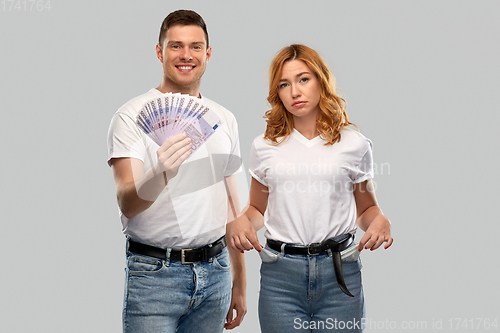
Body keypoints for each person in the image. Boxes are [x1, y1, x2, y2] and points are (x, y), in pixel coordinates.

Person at [226, 44, 393, 332]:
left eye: (303, 79)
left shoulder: (354, 144)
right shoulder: (264, 146)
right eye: (284, 84)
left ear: (321, 80)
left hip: (340, 276)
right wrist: (242, 220)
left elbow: (366, 209)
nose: (295, 91)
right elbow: (257, 209)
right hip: (281, 278)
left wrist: (381, 220)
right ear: (276, 92)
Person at [107, 9, 246, 332]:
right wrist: (161, 171)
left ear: (208, 54)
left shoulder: (223, 119)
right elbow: (127, 201)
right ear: (160, 52)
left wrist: (239, 280)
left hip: (216, 274)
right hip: (154, 275)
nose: (186, 55)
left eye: (196, 47)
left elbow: (231, 205)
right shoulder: (130, 116)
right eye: (176, 46)